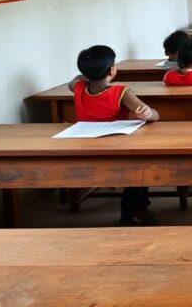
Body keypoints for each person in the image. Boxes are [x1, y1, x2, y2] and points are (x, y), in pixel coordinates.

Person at [67, 45, 160, 225]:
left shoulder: (78, 87)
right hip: (117, 148)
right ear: (112, 69)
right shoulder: (121, 92)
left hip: (85, 148)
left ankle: (137, 209)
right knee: (141, 166)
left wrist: (85, 75)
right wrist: (148, 113)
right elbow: (154, 116)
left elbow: (74, 80)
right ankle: (131, 213)